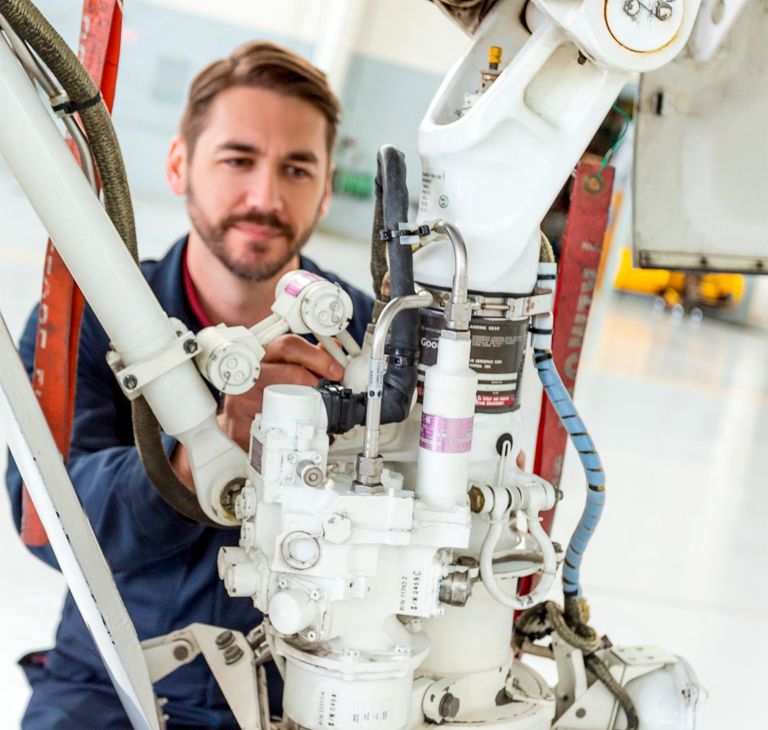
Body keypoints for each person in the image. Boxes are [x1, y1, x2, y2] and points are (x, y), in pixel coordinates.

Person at [5, 40, 373, 729]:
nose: (264, 196)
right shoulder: (87, 315)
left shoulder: (370, 342)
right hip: (111, 679)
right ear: (179, 165)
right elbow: (42, 518)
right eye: (238, 160)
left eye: (296, 168)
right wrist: (193, 455)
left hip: (294, 696)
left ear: (325, 190)